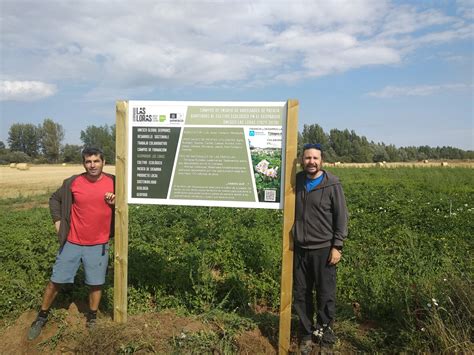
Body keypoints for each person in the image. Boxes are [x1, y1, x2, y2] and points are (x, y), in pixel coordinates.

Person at [28, 147, 115, 341]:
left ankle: (92, 317)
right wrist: (58, 223)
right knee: (55, 280)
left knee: (96, 283)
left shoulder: (114, 182)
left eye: (96, 161)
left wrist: (115, 203)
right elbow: (54, 200)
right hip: (73, 242)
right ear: (84, 163)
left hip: (99, 243)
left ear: (103, 162)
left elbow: (124, 206)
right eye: (88, 161)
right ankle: (42, 316)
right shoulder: (73, 182)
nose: (92, 165)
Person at [292, 143, 348, 353]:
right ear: (301, 160)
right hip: (299, 249)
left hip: (324, 249)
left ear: (321, 160)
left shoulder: (332, 183)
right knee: (301, 294)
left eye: (315, 158)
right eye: (307, 158)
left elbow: (341, 217)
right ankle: (306, 334)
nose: (311, 162)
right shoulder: (296, 181)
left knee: (325, 295)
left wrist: (337, 246)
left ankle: (326, 337)